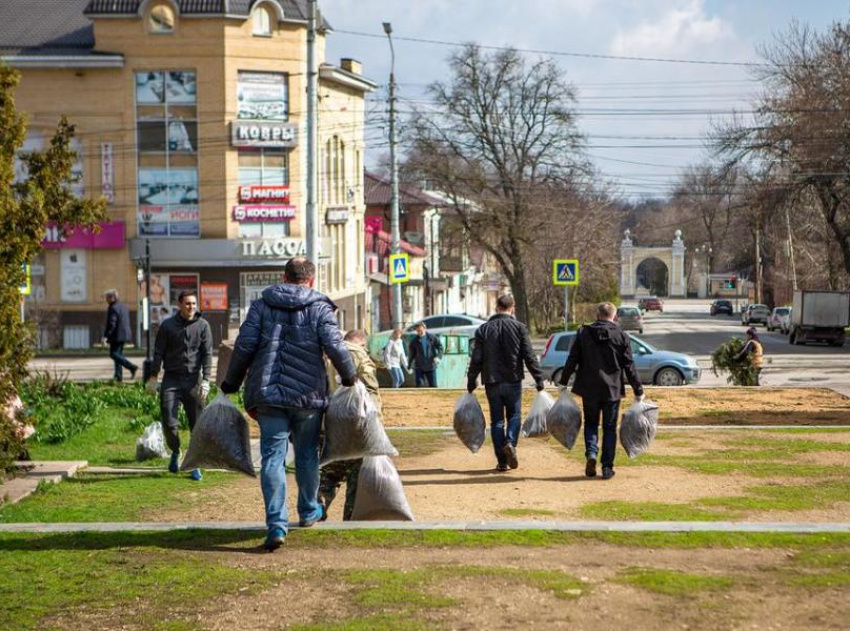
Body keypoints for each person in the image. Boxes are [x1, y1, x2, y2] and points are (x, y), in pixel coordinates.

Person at [220, 257, 356, 552]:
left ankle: (276, 524)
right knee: (307, 453)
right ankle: (308, 512)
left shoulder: (261, 305)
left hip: (268, 394)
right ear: (311, 280)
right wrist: (349, 377)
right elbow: (335, 345)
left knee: (272, 457)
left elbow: (243, 346)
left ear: (284, 277)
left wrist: (230, 383)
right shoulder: (320, 307)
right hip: (307, 395)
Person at [559, 302, 644, 481]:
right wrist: (638, 390)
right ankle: (607, 467)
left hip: (589, 388)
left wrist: (563, 382)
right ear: (614, 316)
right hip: (612, 390)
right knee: (609, 428)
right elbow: (629, 365)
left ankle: (591, 453)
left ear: (597, 315)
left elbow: (572, 359)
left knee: (590, 424)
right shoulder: (621, 335)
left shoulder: (583, 333)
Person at [467, 295, 545, 472]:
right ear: (513, 308)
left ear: (496, 307)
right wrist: (538, 379)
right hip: (513, 380)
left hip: (492, 382)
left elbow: (476, 358)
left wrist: (472, 381)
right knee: (514, 416)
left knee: (497, 421)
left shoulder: (483, 330)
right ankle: (510, 442)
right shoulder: (519, 328)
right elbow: (529, 355)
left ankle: (502, 461)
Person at [147, 290, 212, 482]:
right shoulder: (167, 326)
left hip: (194, 380)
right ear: (179, 305)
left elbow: (207, 354)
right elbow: (158, 352)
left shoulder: (203, 326)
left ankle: (193, 464)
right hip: (172, 380)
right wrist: (153, 376)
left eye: (193, 303)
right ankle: (175, 450)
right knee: (169, 422)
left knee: (196, 425)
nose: (191, 307)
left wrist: (206, 380)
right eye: (187, 304)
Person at [320, 329, 382, 520]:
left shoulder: (328, 354)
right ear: (362, 343)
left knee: (331, 471)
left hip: (332, 420)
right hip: (356, 421)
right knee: (357, 472)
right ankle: (350, 517)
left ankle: (318, 506)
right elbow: (371, 388)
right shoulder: (358, 354)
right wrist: (376, 421)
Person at [103, 290, 138, 382]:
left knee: (113, 354)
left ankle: (132, 367)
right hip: (124, 334)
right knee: (118, 355)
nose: (106, 299)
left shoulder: (113, 308)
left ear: (112, 298)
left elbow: (112, 323)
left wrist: (106, 336)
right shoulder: (123, 306)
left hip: (116, 335)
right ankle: (118, 376)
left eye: (107, 297)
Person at [407, 322, 443, 387]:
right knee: (419, 386)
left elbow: (440, 347)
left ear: (425, 329)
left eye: (421, 330)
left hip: (430, 366)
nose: (419, 332)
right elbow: (411, 355)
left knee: (433, 386)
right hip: (419, 367)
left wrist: (438, 357)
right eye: (418, 331)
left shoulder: (432, 338)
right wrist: (409, 366)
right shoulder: (414, 341)